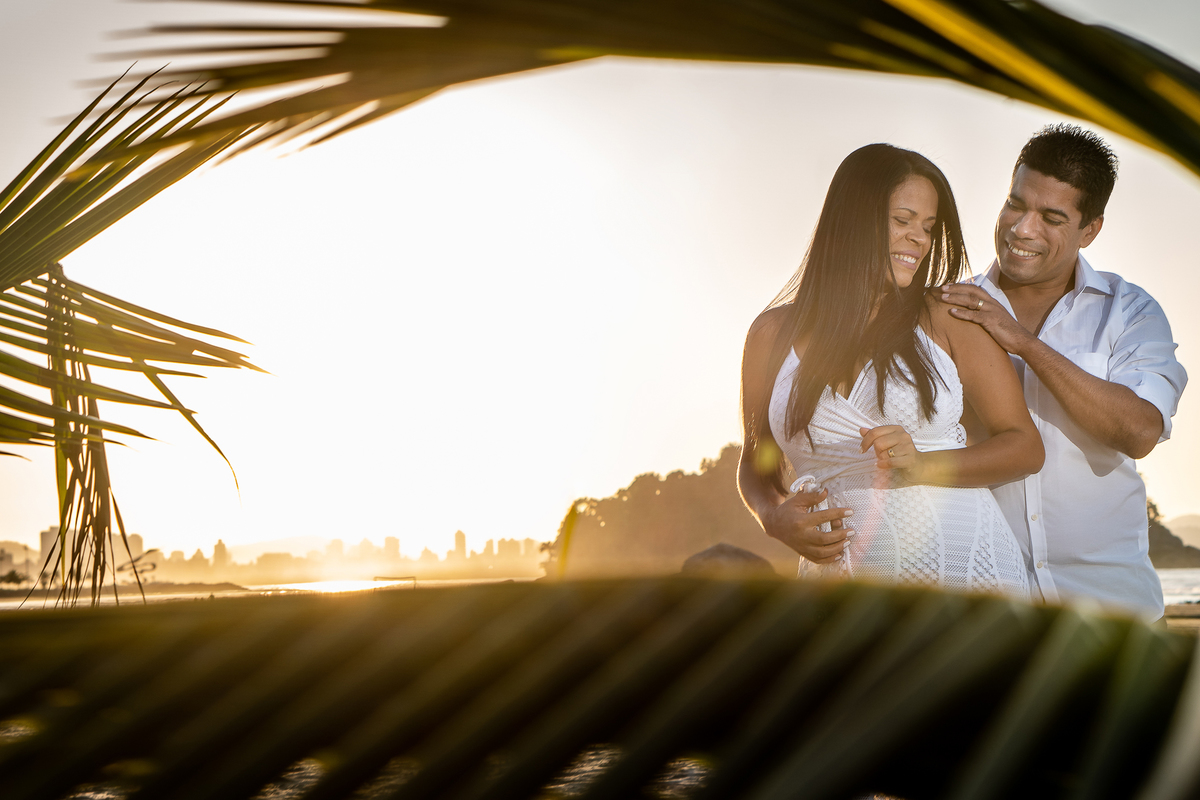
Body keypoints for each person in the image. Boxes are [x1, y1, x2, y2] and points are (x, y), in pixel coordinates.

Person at [738, 143, 1044, 596]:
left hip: (965, 578)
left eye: (927, 227)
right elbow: (755, 460)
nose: (919, 239)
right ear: (853, 219)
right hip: (843, 589)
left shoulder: (947, 316)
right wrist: (773, 516)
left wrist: (923, 466)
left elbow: (1024, 448)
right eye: (902, 221)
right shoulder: (771, 334)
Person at [939, 125, 1187, 619]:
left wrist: (1021, 342)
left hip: (1114, 618)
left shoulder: (1131, 311)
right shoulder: (948, 309)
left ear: (1090, 229)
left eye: (1052, 217)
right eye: (1015, 204)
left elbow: (1139, 430)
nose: (1022, 229)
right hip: (982, 611)